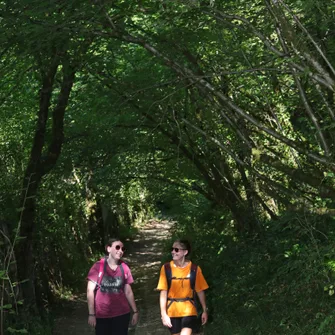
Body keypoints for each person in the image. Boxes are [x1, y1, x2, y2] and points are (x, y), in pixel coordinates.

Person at [87, 238, 139, 335]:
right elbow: (90, 291)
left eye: (122, 249)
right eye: (117, 247)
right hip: (102, 315)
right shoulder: (98, 266)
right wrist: (91, 314)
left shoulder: (124, 267)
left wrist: (135, 311)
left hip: (122, 314)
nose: (120, 251)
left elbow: (128, 291)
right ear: (109, 249)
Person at [156, 239, 209, 335]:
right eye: (172, 249)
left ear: (185, 252)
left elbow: (200, 291)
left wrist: (205, 310)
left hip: (189, 310)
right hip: (172, 310)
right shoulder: (166, 268)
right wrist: (163, 314)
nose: (173, 252)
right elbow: (163, 292)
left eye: (176, 250)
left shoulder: (194, 269)